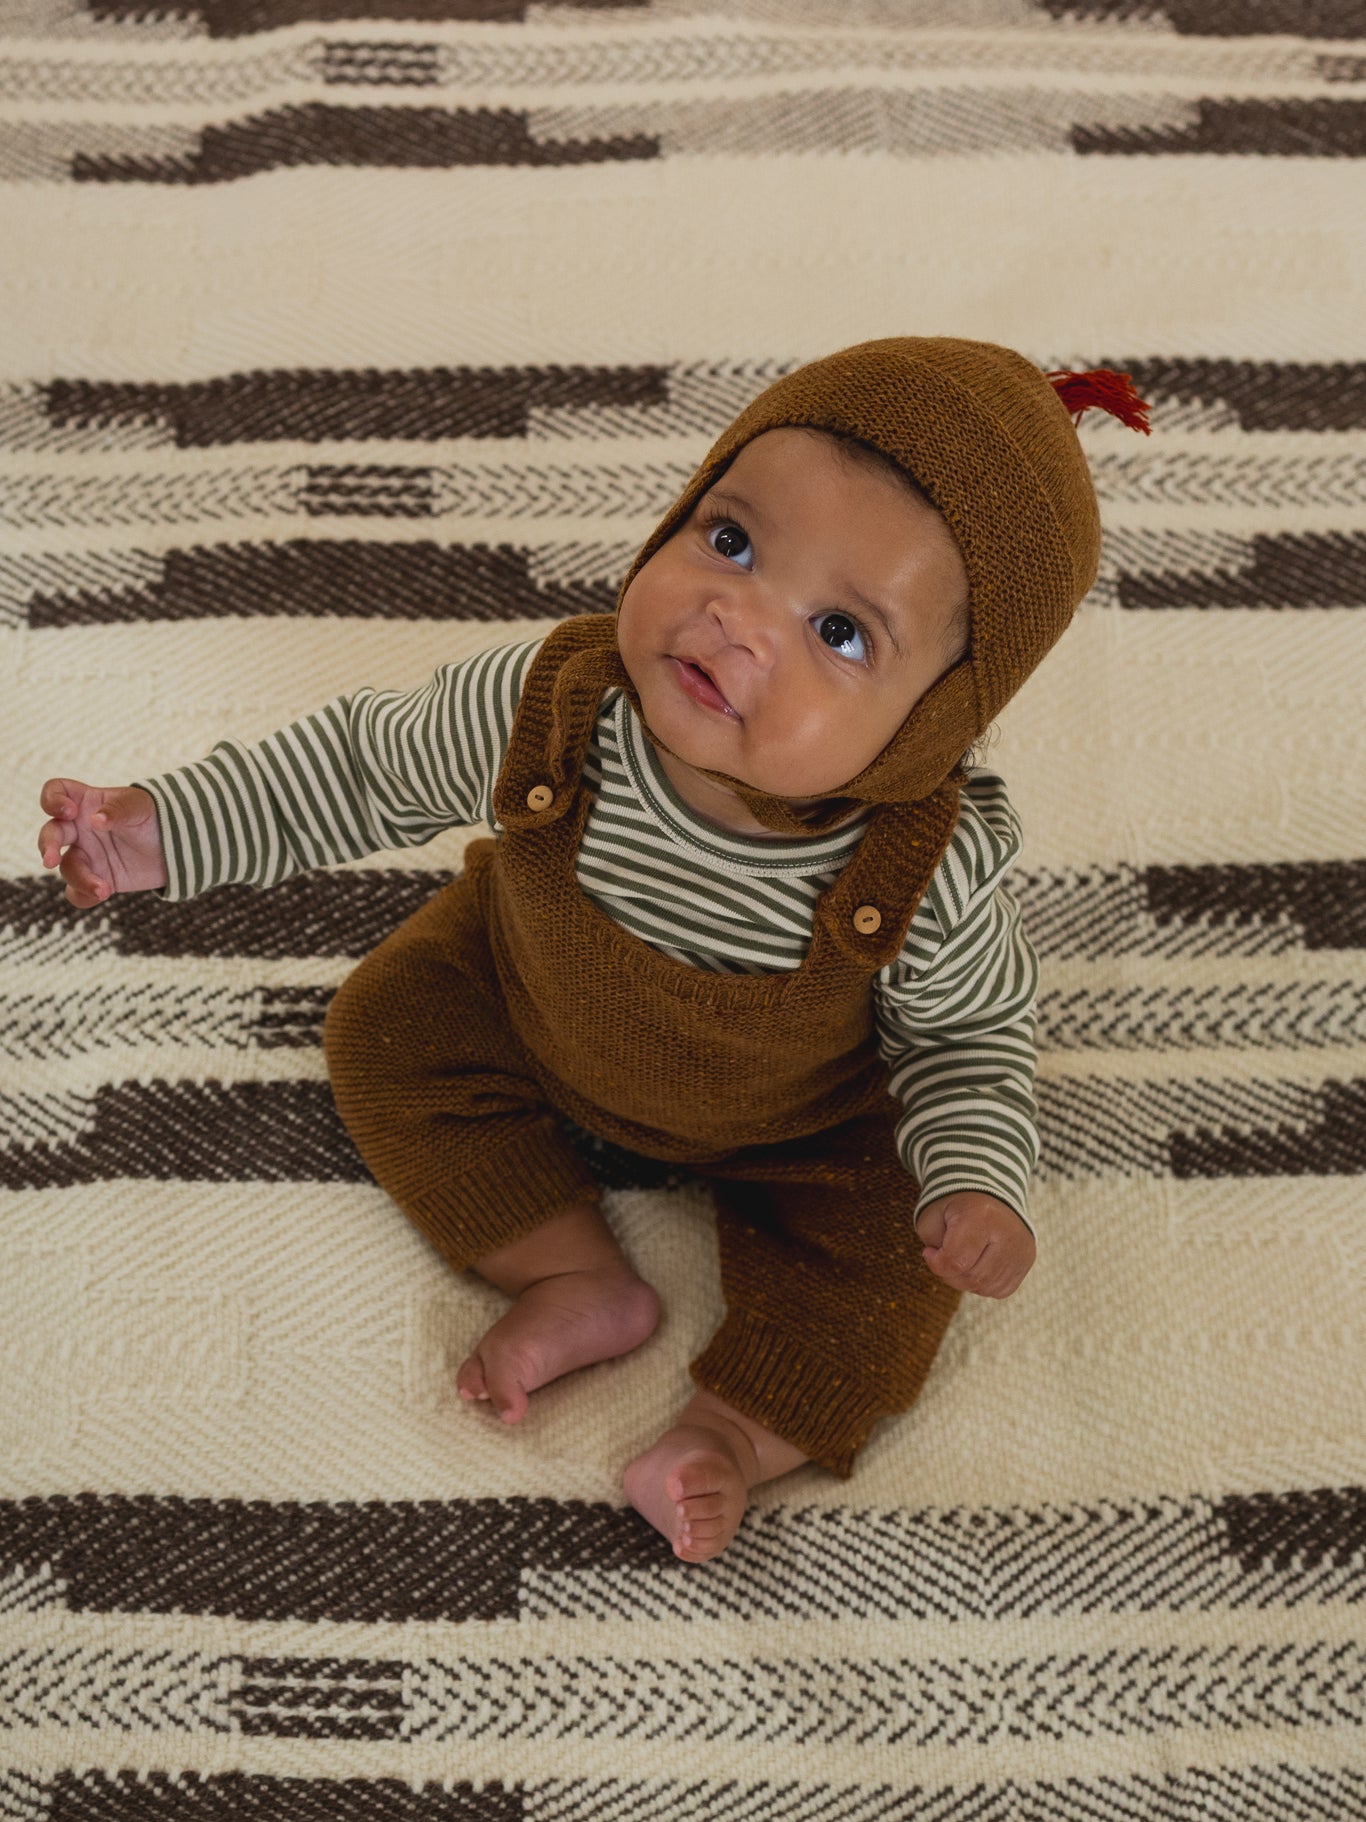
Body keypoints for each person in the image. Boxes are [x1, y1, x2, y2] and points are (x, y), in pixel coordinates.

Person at [36, 337, 1149, 1563]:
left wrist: (973, 1181)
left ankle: (732, 1431)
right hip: (528, 1003)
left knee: (889, 1274)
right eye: (730, 540)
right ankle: (570, 1274)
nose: (736, 620)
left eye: (839, 630)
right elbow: (354, 769)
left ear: (934, 721)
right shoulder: (555, 709)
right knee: (387, 1027)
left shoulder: (920, 869)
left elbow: (968, 1038)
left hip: (804, 1120)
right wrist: (162, 830)